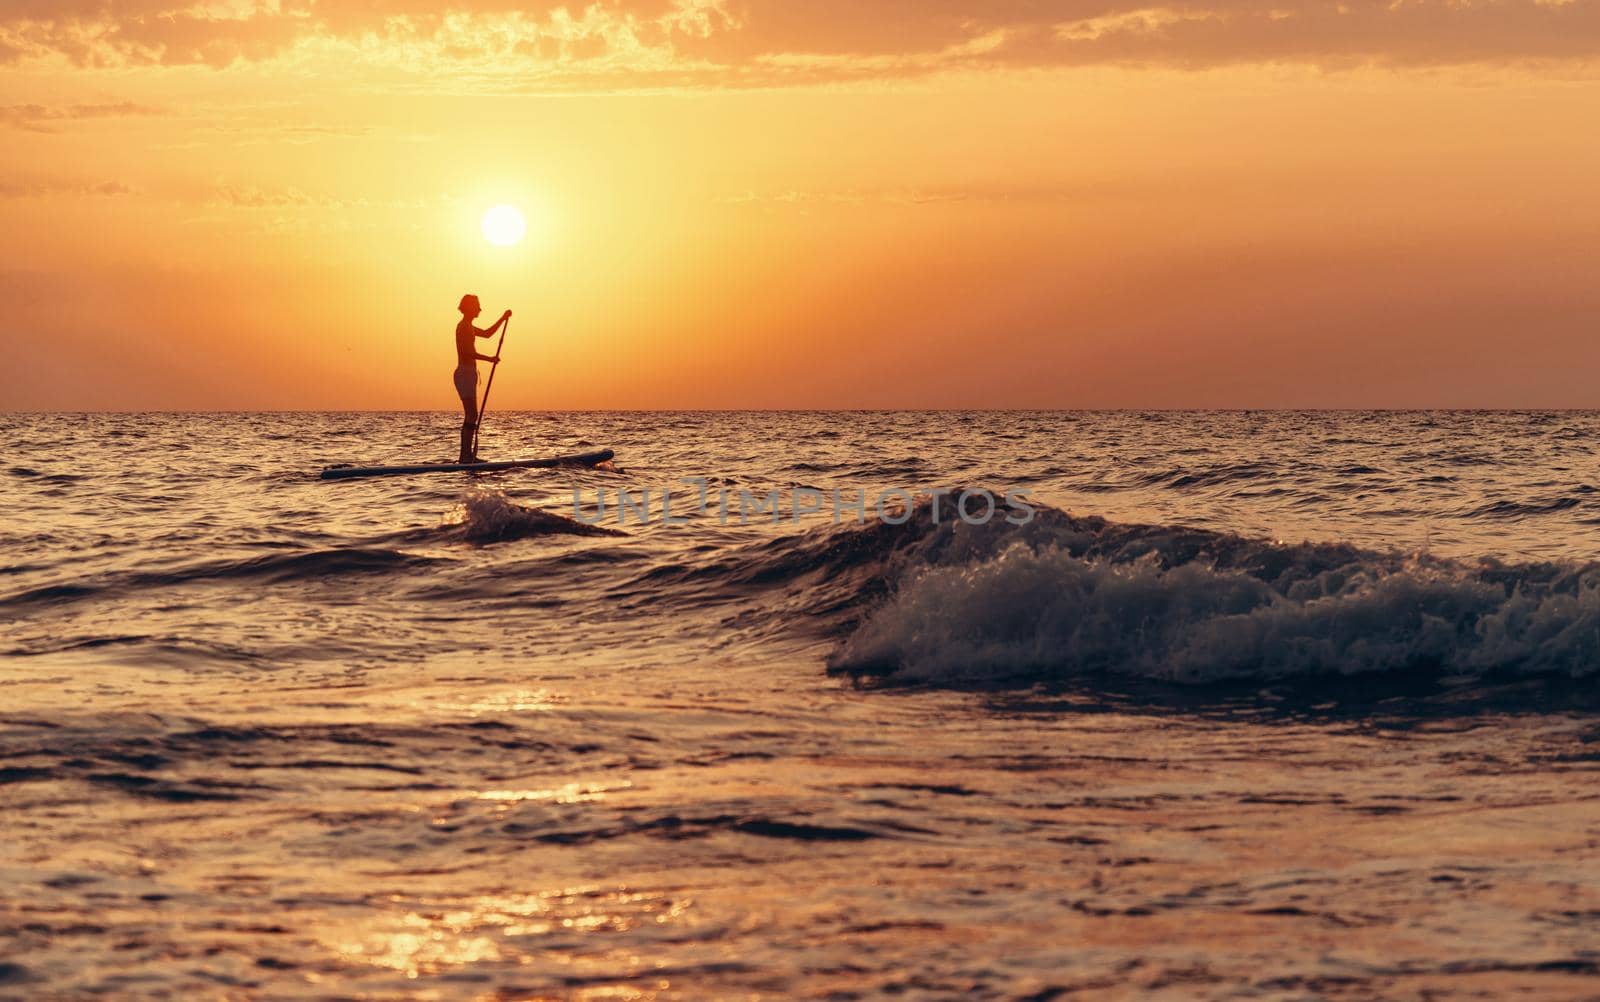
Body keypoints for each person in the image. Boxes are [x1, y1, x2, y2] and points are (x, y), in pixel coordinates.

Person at [454, 294, 510, 464]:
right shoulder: (463, 327)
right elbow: (467, 353)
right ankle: (465, 456)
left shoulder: (469, 327)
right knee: (471, 414)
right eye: (477, 305)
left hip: (470, 374)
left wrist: (502, 318)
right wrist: (490, 359)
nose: (480, 309)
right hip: (464, 373)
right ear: (469, 307)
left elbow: (487, 334)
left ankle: (467, 455)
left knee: (472, 415)